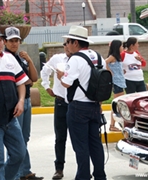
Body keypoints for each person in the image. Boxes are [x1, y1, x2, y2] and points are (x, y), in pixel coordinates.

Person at [57, 25, 106, 180]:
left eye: (68, 41)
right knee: (95, 144)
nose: (67, 45)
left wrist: (60, 75)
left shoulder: (75, 59)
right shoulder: (98, 56)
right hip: (94, 105)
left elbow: (66, 83)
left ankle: (83, 176)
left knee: (81, 146)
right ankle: (100, 175)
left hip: (78, 107)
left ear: (76, 43)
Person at [4, 26, 43, 180]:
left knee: (24, 137)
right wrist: (26, 83)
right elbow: (24, 82)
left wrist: (29, 60)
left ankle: (25, 171)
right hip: (16, 102)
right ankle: (16, 173)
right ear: (5, 41)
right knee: (16, 139)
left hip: (26, 100)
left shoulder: (20, 57)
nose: (14, 43)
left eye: (17, 40)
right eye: (11, 40)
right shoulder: (5, 58)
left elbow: (33, 79)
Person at [0, 27, 29, 179]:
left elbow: (21, 82)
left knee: (19, 155)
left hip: (10, 118)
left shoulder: (9, 58)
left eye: (1, 40)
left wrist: (21, 101)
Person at [40, 42, 71, 179]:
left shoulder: (81, 60)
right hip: (60, 102)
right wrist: (46, 86)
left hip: (76, 103)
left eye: (69, 43)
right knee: (60, 138)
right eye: (65, 44)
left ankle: (84, 168)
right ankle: (59, 169)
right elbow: (45, 71)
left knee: (79, 139)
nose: (66, 46)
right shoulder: (57, 59)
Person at [105, 40, 126, 131]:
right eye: (121, 46)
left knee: (118, 104)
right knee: (117, 104)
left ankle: (114, 124)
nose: (122, 48)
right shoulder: (113, 57)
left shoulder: (117, 57)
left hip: (120, 82)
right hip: (117, 82)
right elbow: (104, 62)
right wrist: (110, 72)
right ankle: (112, 125)